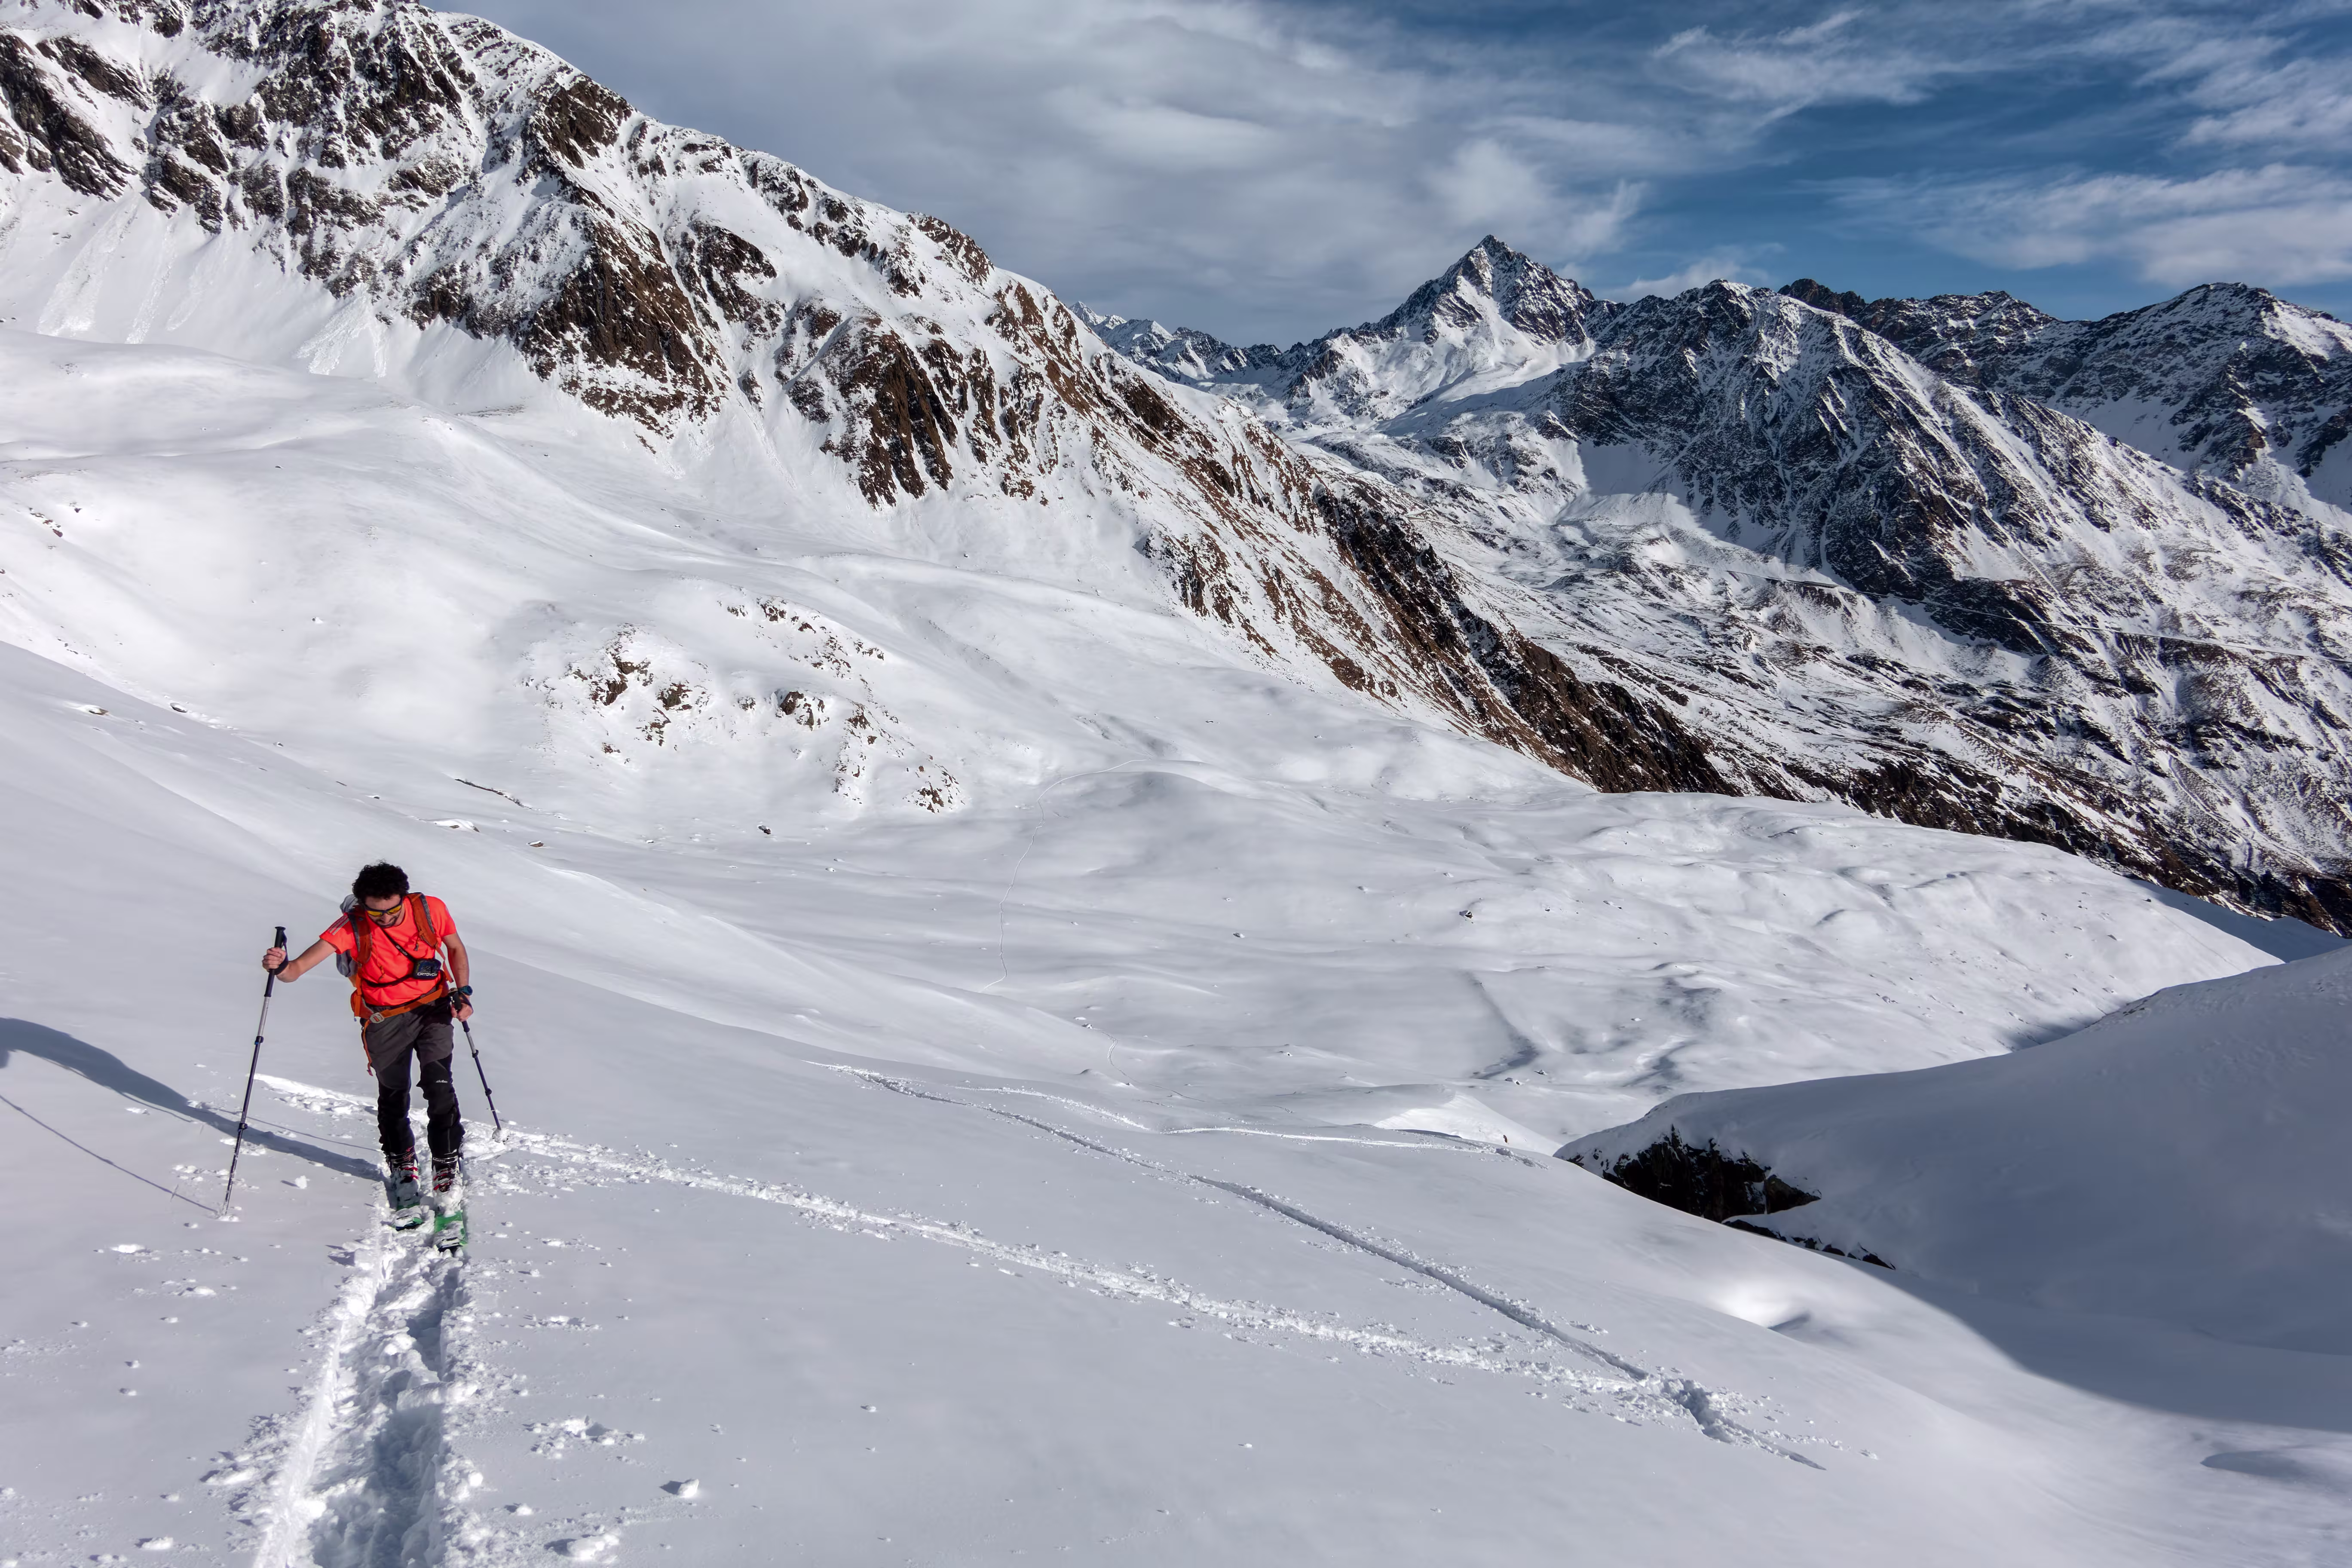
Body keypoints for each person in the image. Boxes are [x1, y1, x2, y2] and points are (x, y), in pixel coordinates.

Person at [262, 863, 474, 1202]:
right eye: (377, 914)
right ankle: (402, 1161)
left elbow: (456, 948)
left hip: (432, 1007)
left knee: (439, 1085)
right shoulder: (351, 926)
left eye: (392, 910)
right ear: (362, 905)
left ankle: (446, 1161)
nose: (386, 919)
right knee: (394, 1093)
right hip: (383, 1019)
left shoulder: (429, 909)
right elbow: (295, 971)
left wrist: (462, 992)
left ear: (403, 898)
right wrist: (281, 966)